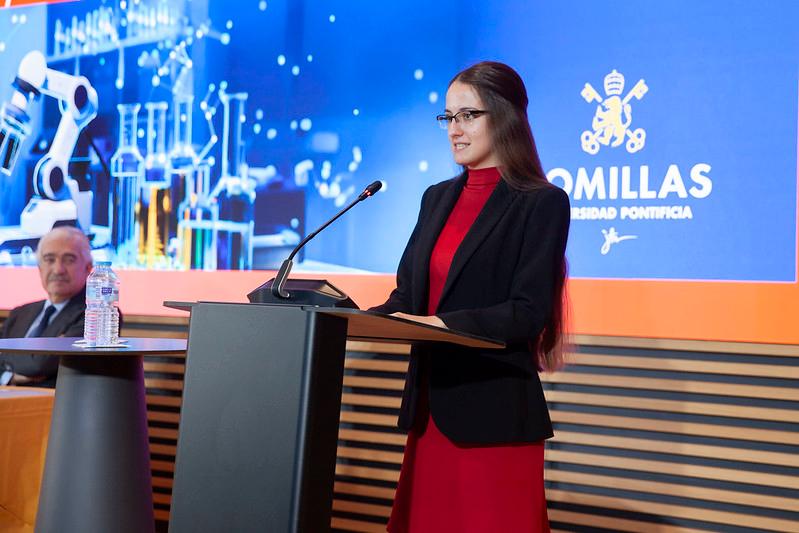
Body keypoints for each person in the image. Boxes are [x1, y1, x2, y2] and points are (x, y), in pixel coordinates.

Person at [370, 61, 570, 532]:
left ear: (504, 117)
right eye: (447, 117)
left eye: (468, 116)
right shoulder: (435, 197)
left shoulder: (542, 202)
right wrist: (342, 317)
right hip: (429, 413)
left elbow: (526, 313)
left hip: (493, 416)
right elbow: (407, 299)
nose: (454, 130)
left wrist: (442, 325)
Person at [0, 226, 93, 388]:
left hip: (52, 409)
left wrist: (5, 358)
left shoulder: (94, 315)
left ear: (88, 268)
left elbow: (40, 365)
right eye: (49, 259)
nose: (58, 270)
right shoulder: (20, 313)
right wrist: (11, 377)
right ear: (39, 268)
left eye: (69, 259)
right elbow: (39, 362)